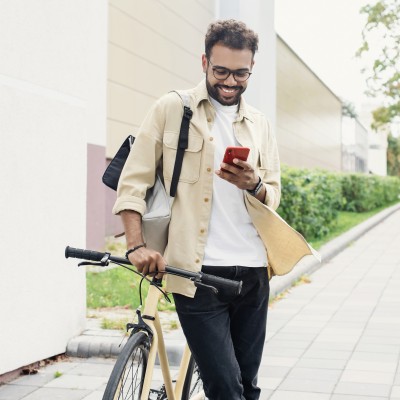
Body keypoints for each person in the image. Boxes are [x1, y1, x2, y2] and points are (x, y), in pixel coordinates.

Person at [113, 19, 281, 400]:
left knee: (247, 386)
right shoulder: (172, 109)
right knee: (225, 388)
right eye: (221, 70)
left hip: (254, 274)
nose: (230, 81)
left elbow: (274, 194)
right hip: (197, 274)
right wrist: (137, 245)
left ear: (251, 70)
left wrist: (252, 184)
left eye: (241, 73)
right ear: (204, 62)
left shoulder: (260, 124)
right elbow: (132, 183)